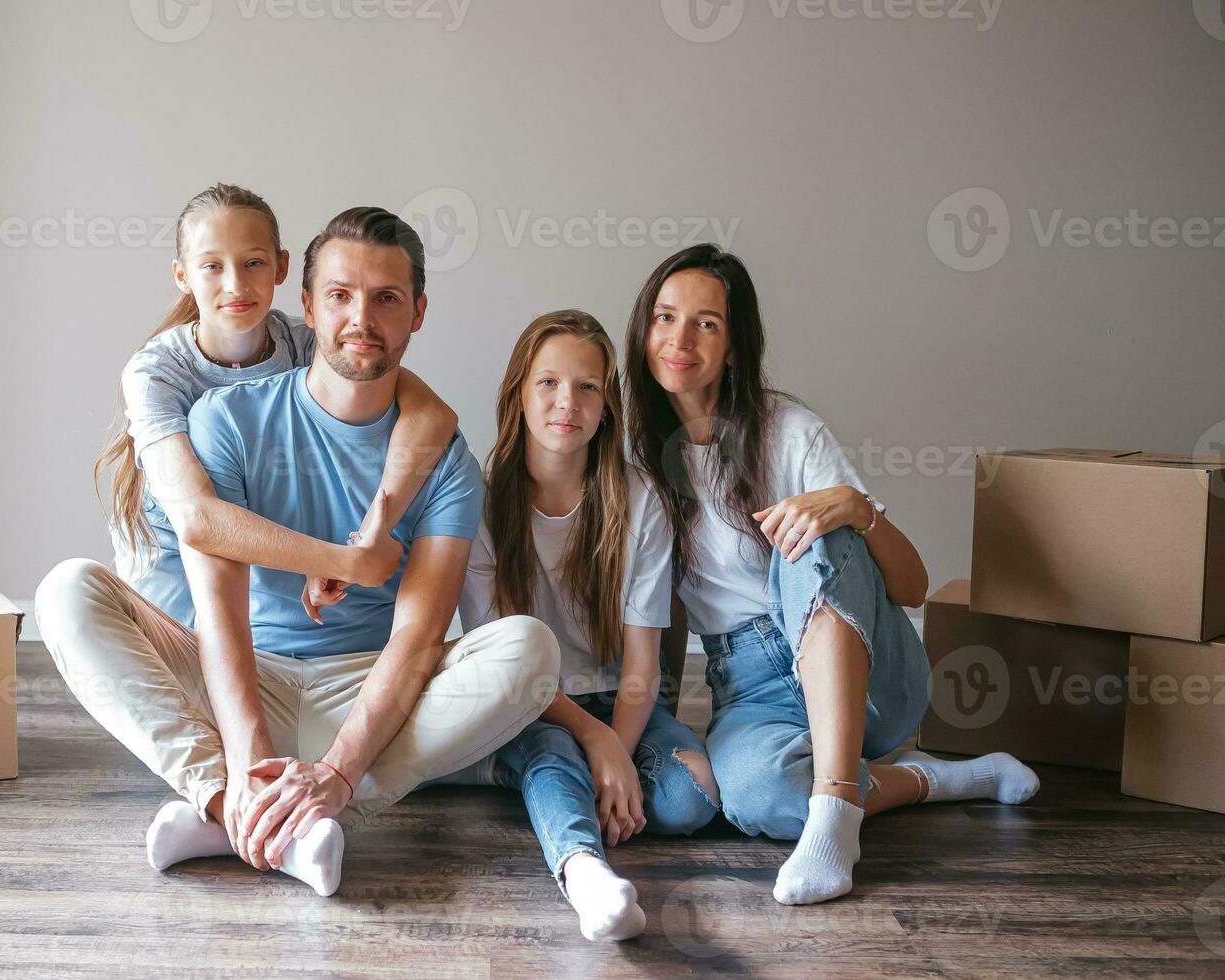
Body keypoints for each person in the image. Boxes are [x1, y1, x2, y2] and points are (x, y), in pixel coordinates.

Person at [35, 206, 560, 897]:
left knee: (529, 648)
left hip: (365, 688)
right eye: (340, 296)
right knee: (68, 590)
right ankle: (235, 803)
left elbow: (418, 637)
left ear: (418, 312)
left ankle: (306, 802)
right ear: (306, 306)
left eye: (387, 299)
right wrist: (249, 753)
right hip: (244, 680)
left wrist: (338, 772)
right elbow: (219, 615)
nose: (361, 318)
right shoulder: (224, 419)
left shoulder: (445, 461)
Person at [622, 244, 1039, 906]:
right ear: (644, 330)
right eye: (666, 317)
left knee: (818, 527)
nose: (680, 339)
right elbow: (661, 611)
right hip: (752, 690)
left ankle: (839, 807)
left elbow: (912, 588)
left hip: (871, 673)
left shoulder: (789, 430)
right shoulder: (639, 463)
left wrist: (857, 510)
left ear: (733, 346)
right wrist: (661, 724)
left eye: (706, 322)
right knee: (755, 797)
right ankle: (931, 779)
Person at [455, 310, 721, 942]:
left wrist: (617, 752)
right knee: (553, 753)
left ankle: (533, 781)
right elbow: (503, 666)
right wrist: (594, 743)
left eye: (587, 387)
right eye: (547, 383)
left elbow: (641, 665)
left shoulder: (638, 499)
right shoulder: (483, 503)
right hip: (530, 703)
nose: (565, 403)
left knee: (692, 796)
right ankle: (587, 878)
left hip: (619, 699)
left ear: (608, 404)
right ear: (518, 394)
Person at [94, 182, 459, 631]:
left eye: (253, 263)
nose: (235, 284)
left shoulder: (306, 344)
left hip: (268, 575)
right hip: (174, 581)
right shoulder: (156, 373)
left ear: (281, 267)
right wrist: (348, 561)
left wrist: (371, 533)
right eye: (212, 266)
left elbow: (433, 417)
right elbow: (198, 519)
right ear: (182, 275)